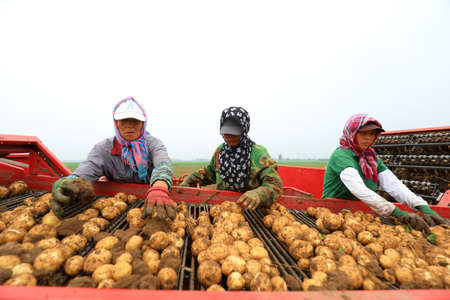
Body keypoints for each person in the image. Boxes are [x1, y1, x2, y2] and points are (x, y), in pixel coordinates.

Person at [51, 97, 174, 219]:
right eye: (124, 121)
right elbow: (87, 169)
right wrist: (70, 182)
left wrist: (159, 187)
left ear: (143, 124)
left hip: (152, 200)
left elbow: (162, 164)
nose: (129, 126)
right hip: (116, 206)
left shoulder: (154, 144)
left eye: (135, 121)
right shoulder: (103, 149)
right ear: (116, 123)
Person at [322, 113, 447, 232]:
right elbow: (359, 189)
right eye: (363, 133)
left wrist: (421, 206)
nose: (368, 137)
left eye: (372, 134)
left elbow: (393, 185)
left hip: (359, 213)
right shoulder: (341, 155)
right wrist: (396, 212)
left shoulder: (371, 157)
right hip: (333, 212)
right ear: (352, 133)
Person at [179, 106, 282, 209]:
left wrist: (259, 194)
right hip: (223, 209)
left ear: (244, 129)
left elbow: (275, 185)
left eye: (234, 133)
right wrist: (190, 180)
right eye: (227, 132)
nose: (230, 136)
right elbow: (210, 173)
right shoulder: (220, 151)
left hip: (252, 210)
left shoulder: (259, 154)